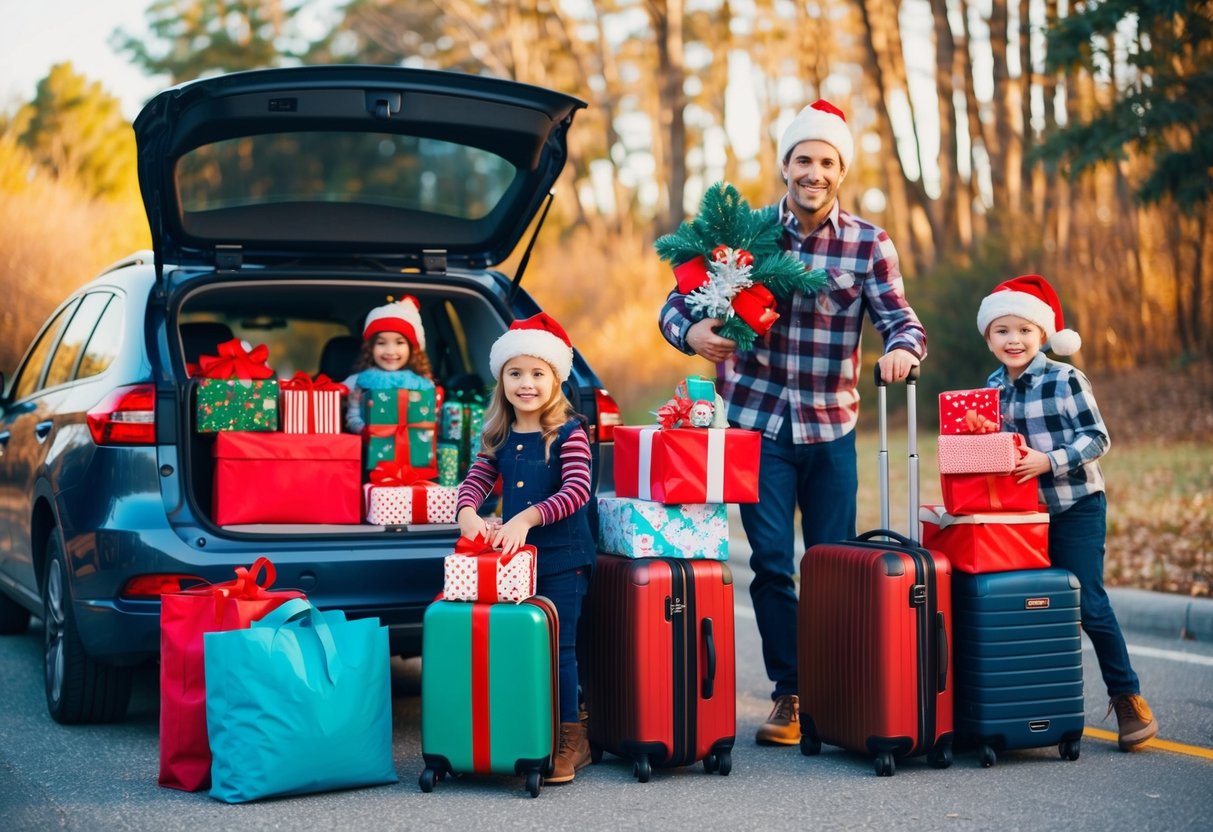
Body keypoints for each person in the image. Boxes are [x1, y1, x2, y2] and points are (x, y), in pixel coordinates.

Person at [658, 98, 927, 746]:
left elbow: (900, 319)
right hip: (757, 425)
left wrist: (900, 351)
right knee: (772, 563)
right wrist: (691, 330)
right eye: (803, 158)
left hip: (831, 426)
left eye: (826, 161)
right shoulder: (745, 234)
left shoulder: (868, 243)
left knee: (833, 564)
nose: (814, 171)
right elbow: (674, 303)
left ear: (840, 170)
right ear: (785, 165)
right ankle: (790, 692)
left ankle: (832, 689)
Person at [977, 274, 1158, 752]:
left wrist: (1049, 460)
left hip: (1076, 505)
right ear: (989, 338)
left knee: (1088, 604)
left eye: (1023, 330)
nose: (1013, 340)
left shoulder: (1065, 378)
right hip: (1021, 516)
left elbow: (1098, 438)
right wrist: (978, 437)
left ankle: (1127, 697)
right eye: (1002, 331)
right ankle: (1026, 704)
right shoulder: (991, 388)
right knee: (1022, 606)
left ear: (1041, 334)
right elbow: (993, 453)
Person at [456, 312, 596, 783]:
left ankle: (572, 737)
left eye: (538, 373)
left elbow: (577, 491)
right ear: (501, 380)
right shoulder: (499, 433)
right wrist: (468, 512)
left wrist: (525, 516)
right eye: (515, 373)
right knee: (521, 641)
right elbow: (476, 480)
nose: (526, 383)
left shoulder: (570, 432)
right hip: (518, 563)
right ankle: (526, 725)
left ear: (555, 380)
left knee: (561, 645)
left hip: (563, 558)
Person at [341, 296, 436, 435]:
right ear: (370, 348)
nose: (390, 351)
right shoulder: (360, 380)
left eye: (399, 342)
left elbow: (431, 419)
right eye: (381, 343)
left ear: (412, 348)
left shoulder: (422, 384)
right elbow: (352, 416)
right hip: (371, 450)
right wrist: (363, 430)